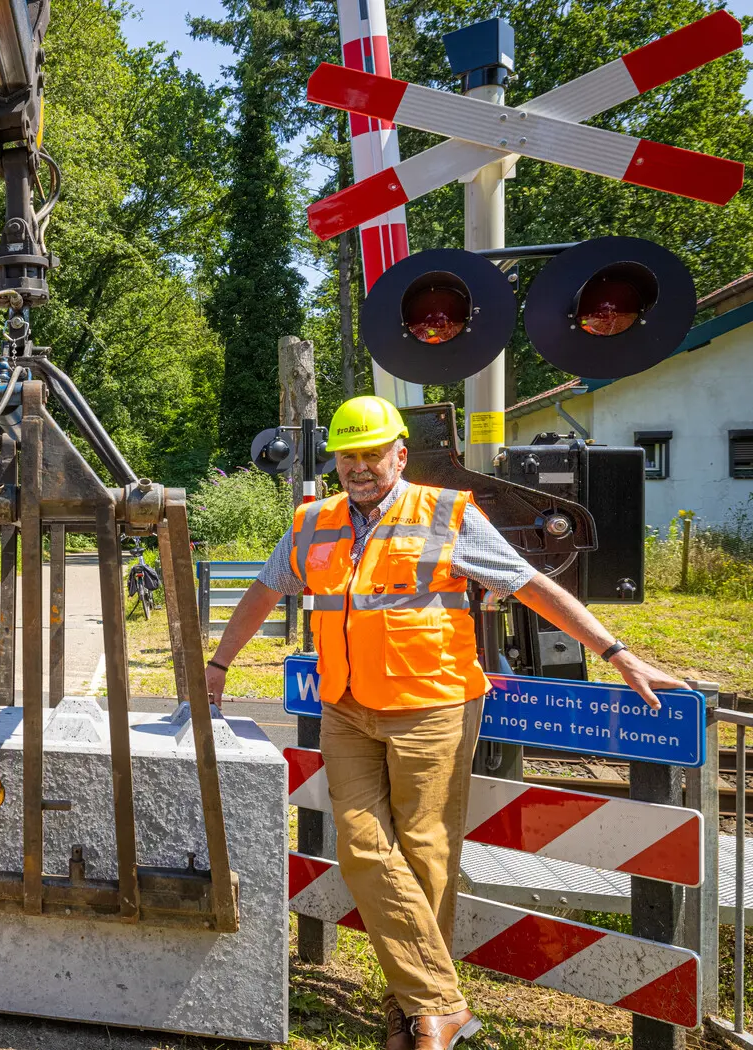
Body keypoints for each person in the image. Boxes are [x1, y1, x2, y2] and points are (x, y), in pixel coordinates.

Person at [206, 396, 683, 1050]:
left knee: (427, 853)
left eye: (374, 453)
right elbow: (265, 589)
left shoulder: (446, 513)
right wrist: (219, 663)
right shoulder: (312, 522)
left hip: (433, 705)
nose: (361, 467)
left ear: (400, 454)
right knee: (363, 849)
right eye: (349, 455)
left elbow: (529, 585)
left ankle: (409, 1015)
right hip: (346, 705)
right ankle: (442, 1003)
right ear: (337, 460)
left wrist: (618, 653)